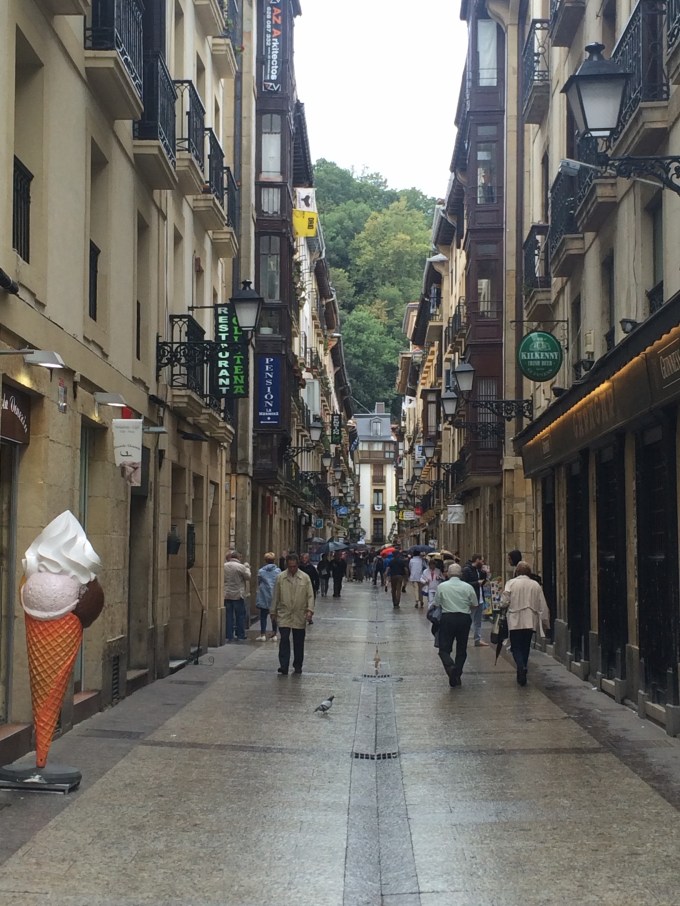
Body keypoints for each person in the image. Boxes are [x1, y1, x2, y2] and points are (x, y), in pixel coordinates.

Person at [501, 561, 550, 686]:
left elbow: (504, 602)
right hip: (530, 619)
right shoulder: (535, 585)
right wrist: (545, 621)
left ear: (517, 572)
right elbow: (542, 604)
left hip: (515, 619)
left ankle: (521, 667)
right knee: (526, 645)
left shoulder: (511, 583)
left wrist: (504, 606)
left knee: (515, 646)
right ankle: (523, 668)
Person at [434, 563, 479, 687]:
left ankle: (451, 667)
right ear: (460, 574)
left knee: (444, 649)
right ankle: (457, 672)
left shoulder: (442, 586)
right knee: (461, 648)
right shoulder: (468, 587)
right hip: (464, 618)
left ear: (448, 573)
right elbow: (475, 604)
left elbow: (437, 604)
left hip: (447, 618)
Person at [271, 552, 314, 675]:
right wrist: (273, 611)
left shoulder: (305, 578)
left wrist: (310, 610)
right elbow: (276, 596)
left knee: (298, 641)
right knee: (284, 639)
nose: (292, 569)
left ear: (297, 565)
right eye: (290, 566)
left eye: (294, 566)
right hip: (284, 613)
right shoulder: (280, 577)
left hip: (299, 613)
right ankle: (284, 665)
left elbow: (310, 595)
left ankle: (298, 665)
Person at [462, 553, 489, 647]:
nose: (483, 562)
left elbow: (483, 581)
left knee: (478, 621)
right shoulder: (467, 570)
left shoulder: (478, 570)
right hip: (472, 599)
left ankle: (477, 639)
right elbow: (464, 584)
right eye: (481, 560)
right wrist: (477, 583)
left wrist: (485, 573)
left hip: (480, 598)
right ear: (477, 560)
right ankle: (463, 638)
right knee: (469, 619)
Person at [224, 550, 251, 642]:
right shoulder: (241, 567)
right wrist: (247, 567)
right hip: (238, 595)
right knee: (240, 615)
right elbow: (248, 577)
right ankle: (240, 634)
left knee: (229, 616)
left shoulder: (224, 566)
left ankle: (229, 635)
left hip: (227, 594)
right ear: (238, 557)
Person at [255, 552, 280, 640]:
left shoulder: (261, 571)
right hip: (274, 596)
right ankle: (274, 634)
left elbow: (259, 582)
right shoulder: (278, 571)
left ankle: (263, 635)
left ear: (265, 560)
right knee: (274, 615)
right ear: (274, 560)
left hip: (264, 596)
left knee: (263, 616)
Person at [299, 553, 319, 623]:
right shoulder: (299, 567)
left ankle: (309, 617)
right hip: (301, 587)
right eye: (303, 558)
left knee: (311, 602)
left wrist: (316, 587)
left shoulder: (311, 567)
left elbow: (316, 577)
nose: (304, 559)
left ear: (308, 559)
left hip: (311, 587)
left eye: (306, 558)